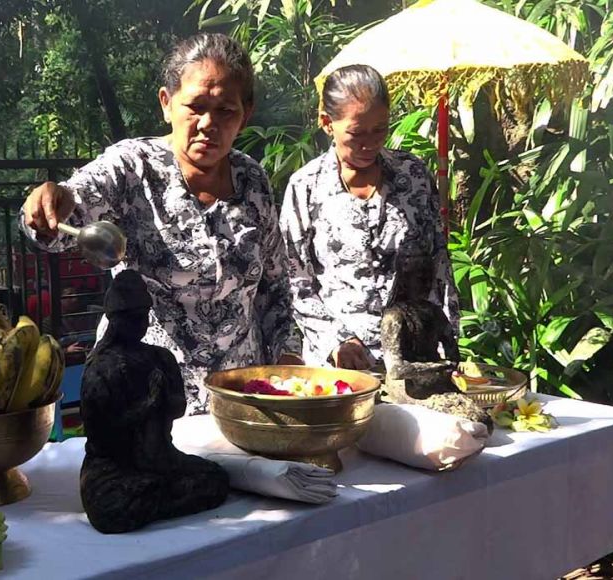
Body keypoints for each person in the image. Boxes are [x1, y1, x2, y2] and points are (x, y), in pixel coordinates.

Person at [22, 33, 301, 414]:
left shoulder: (252, 180)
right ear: (167, 104)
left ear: (245, 114)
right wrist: (51, 202)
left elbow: (274, 286)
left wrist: (288, 358)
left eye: (225, 111)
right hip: (145, 403)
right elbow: (66, 215)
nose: (208, 123)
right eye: (195, 106)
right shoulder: (132, 167)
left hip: (239, 401)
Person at [279, 64, 460, 370]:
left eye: (379, 130)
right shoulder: (306, 186)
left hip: (415, 356)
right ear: (327, 123)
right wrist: (336, 341)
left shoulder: (413, 175)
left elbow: (439, 264)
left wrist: (448, 335)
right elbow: (294, 281)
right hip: (341, 367)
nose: (369, 144)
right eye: (356, 133)